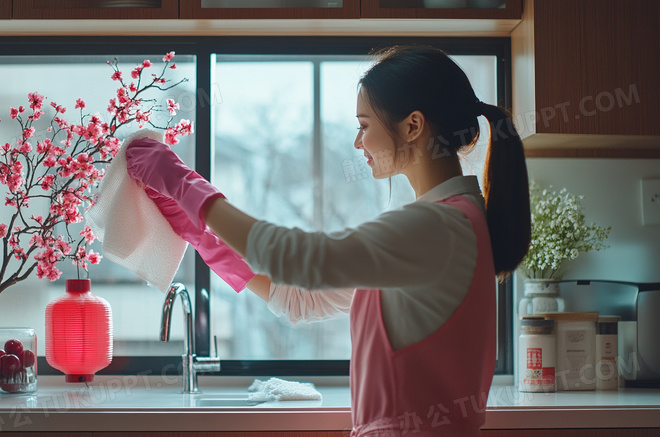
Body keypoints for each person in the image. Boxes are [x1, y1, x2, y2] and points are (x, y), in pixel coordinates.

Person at [125, 45, 530, 436]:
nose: (359, 143)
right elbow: (302, 299)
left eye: (365, 126)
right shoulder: (448, 223)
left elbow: (300, 257)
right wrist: (204, 239)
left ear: (413, 126)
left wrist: (184, 185)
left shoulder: (437, 227)